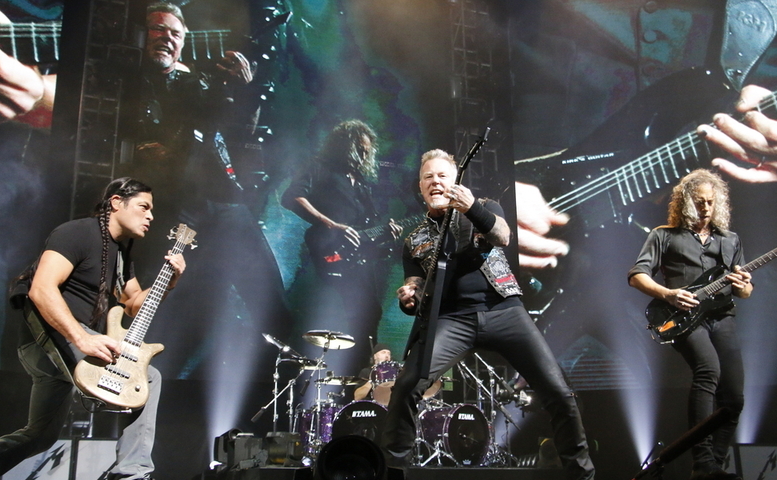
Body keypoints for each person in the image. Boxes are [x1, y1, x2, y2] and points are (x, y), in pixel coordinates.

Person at [380, 149, 595, 479]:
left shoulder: (483, 208)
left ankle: (581, 474)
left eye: (442, 176)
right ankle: (393, 470)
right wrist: (408, 295)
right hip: (452, 320)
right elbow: (415, 283)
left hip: (503, 310)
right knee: (407, 384)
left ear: (455, 182)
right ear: (420, 187)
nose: (435, 182)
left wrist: (472, 208)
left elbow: (503, 236)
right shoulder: (414, 239)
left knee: (558, 392)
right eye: (428, 177)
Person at [118, 2, 291, 379]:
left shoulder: (194, 83)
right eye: (157, 30)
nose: (166, 39)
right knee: (159, 302)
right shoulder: (124, 79)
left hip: (225, 202)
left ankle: (284, 394)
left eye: (174, 34)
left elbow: (239, 132)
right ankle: (134, 381)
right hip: (175, 206)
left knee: (271, 303)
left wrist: (245, 89)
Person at [0, 177, 187, 480]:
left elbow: (133, 304)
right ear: (117, 203)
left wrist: (169, 280)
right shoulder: (76, 233)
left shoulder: (120, 254)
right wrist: (81, 337)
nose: (151, 217)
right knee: (149, 376)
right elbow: (41, 289)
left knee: (41, 435)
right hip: (52, 336)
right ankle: (131, 474)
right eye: (144, 207)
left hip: (66, 347)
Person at [628, 169, 751, 480]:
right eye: (699, 202)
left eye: (711, 202)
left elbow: (745, 291)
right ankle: (702, 461)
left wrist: (744, 283)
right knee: (708, 371)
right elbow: (637, 275)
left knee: (734, 397)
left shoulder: (730, 239)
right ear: (685, 203)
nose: (706, 208)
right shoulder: (664, 235)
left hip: (722, 316)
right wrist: (668, 294)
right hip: (682, 320)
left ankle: (714, 466)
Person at [281, 119, 402, 371]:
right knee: (333, 311)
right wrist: (330, 224)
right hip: (326, 252)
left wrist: (387, 233)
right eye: (359, 148)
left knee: (369, 314)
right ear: (344, 145)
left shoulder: (361, 183)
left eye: (367, 151)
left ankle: (362, 375)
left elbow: (366, 230)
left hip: (357, 261)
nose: (363, 155)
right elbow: (291, 196)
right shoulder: (320, 167)